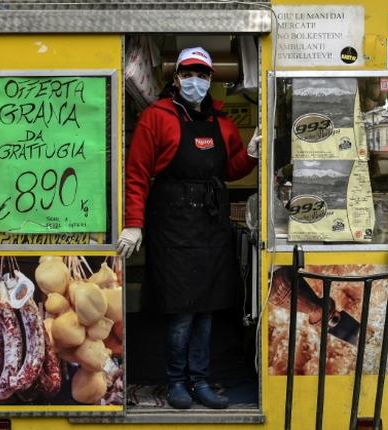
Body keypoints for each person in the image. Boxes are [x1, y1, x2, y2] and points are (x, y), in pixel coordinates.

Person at [117, 47, 259, 410]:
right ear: (177, 77)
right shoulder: (156, 117)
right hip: (172, 228)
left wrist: (252, 153)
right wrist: (134, 224)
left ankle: (200, 380)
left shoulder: (222, 122)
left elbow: (229, 170)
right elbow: (135, 176)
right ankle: (177, 380)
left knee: (207, 309)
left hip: (211, 229)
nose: (196, 80)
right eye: (189, 73)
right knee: (181, 311)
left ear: (211, 79)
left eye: (203, 74)